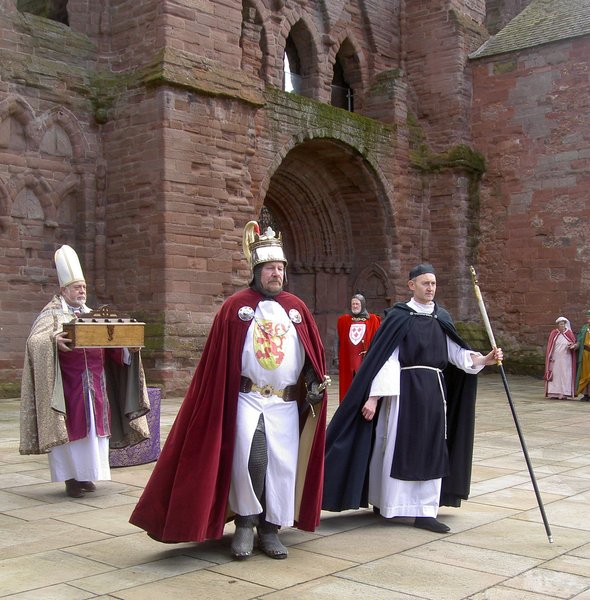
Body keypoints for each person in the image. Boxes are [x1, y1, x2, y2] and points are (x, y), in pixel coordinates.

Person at [129, 221, 329, 560]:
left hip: (285, 402)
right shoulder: (235, 307)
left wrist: (313, 383)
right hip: (247, 399)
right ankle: (247, 525)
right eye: (269, 268)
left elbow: (311, 354)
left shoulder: (296, 308)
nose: (276, 274)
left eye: (280, 268)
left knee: (282, 468)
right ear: (256, 271)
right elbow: (217, 360)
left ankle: (271, 528)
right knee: (253, 460)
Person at [322, 263, 503, 533]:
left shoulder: (441, 317)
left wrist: (484, 359)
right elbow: (387, 360)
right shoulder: (399, 316)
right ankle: (389, 504)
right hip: (403, 393)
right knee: (396, 446)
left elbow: (457, 354)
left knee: (431, 448)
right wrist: (373, 398)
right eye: (424, 283)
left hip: (433, 392)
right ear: (411, 286)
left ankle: (425, 511)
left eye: (433, 284)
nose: (430, 288)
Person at [19, 245, 150, 498]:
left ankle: (88, 476)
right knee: (72, 432)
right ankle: (70, 478)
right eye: (77, 287)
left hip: (97, 386)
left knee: (94, 431)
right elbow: (34, 342)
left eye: (84, 287)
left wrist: (127, 349)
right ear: (63, 290)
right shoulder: (52, 315)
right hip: (67, 387)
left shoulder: (93, 316)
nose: (82, 291)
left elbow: (112, 350)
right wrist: (52, 341)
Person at [337, 294, 381, 403]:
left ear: (362, 304)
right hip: (348, 360)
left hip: (364, 360)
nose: (355, 306)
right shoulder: (344, 320)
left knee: (363, 387)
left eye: (357, 304)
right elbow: (340, 340)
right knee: (348, 388)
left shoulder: (373, 320)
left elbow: (377, 340)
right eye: (353, 304)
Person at [544, 317, 577, 399]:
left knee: (565, 375)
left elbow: (573, 343)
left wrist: (572, 345)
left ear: (565, 324)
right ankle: (553, 393)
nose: (561, 326)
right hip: (555, 358)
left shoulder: (569, 333)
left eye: (563, 324)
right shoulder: (554, 333)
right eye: (560, 324)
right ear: (557, 325)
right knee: (555, 375)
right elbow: (550, 346)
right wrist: (550, 356)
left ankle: (564, 393)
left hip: (566, 358)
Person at [574, 309, 590, 401]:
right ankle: (586, 394)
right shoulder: (584, 328)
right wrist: (576, 345)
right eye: (588, 317)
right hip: (585, 353)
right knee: (584, 374)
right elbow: (579, 339)